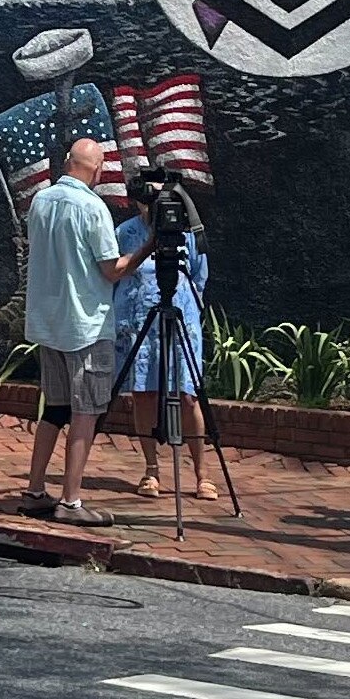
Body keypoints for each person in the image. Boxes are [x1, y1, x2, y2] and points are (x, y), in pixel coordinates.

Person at [15, 137, 139, 526]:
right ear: (98, 170)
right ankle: (70, 501)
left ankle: (36, 490)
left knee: (54, 408)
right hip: (85, 324)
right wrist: (147, 248)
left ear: (68, 162)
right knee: (85, 412)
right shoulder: (93, 207)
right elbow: (111, 269)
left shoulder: (41, 200)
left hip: (48, 322)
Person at [114, 190, 216, 501]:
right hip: (139, 320)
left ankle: (202, 475)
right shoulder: (125, 233)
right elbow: (116, 272)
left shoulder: (187, 232)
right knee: (144, 394)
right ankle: (151, 469)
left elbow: (199, 276)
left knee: (188, 396)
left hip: (180, 320)